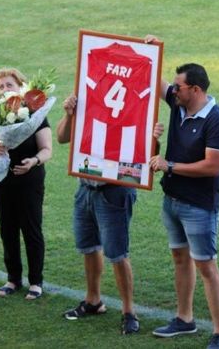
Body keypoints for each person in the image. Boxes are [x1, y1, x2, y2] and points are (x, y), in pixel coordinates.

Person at [149, 62, 219, 349]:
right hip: (172, 200)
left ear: (195, 89)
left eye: (178, 87)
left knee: (207, 266)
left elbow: (212, 166)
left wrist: (169, 165)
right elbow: (155, 81)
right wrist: (149, 53)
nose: (172, 90)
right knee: (180, 259)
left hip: (199, 205)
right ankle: (184, 318)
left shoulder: (217, 120)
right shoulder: (178, 104)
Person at [56, 94, 140, 335]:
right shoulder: (85, 99)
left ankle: (129, 311)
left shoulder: (129, 104)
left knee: (117, 253)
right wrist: (69, 114)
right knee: (89, 247)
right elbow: (62, 137)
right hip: (86, 187)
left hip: (114, 190)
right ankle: (93, 300)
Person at [0, 68, 52, 300]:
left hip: (29, 180)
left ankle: (36, 282)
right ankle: (13, 278)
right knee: (7, 229)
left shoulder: (35, 115)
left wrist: (33, 161)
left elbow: (47, 150)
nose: (4, 89)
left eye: (9, 85)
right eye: (0, 87)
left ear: (21, 87)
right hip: (3, 181)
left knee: (31, 229)